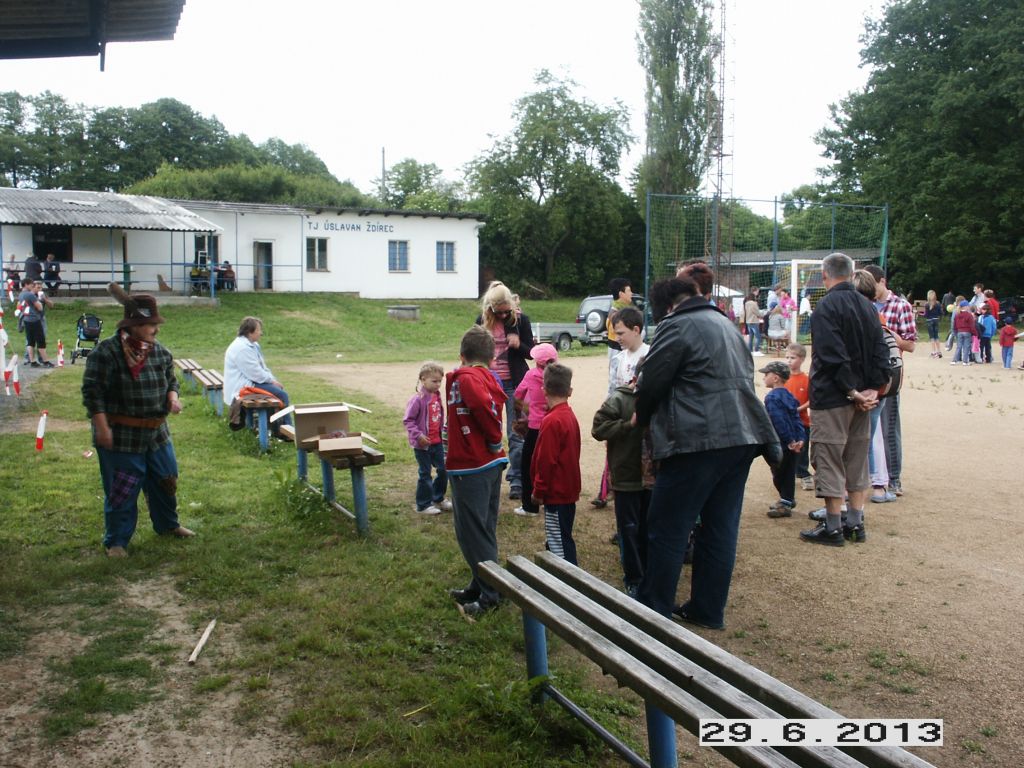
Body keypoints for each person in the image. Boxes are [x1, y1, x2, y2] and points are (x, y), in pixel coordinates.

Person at [634, 270, 779, 629]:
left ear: (667, 306)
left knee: (667, 526)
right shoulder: (727, 325)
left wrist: (641, 417)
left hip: (698, 440)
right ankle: (707, 609)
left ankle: (653, 609)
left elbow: (651, 382)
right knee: (719, 528)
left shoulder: (676, 325)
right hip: (741, 438)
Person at [81, 285, 194, 557]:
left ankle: (168, 525)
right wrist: (102, 427)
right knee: (123, 488)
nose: (156, 329)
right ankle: (117, 541)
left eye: (156, 323)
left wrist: (172, 398)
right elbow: (93, 393)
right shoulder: (106, 353)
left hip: (157, 433)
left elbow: (171, 381)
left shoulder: (160, 352)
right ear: (132, 325)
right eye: (150, 324)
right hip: (121, 434)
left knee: (166, 480)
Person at [800, 253, 890, 548]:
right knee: (856, 458)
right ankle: (855, 522)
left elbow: (831, 356)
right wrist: (873, 389)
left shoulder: (825, 307)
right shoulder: (868, 306)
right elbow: (881, 350)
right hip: (863, 398)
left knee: (829, 458)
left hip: (834, 397)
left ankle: (833, 526)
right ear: (852, 274)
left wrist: (852, 391)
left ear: (825, 275)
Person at [446, 326, 509, 617]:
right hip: (486, 464)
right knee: (482, 529)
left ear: (462, 356)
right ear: (492, 358)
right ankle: (480, 584)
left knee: (471, 533)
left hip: (472, 466)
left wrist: (494, 439)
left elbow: (483, 407)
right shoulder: (486, 377)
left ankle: (491, 594)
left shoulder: (468, 377)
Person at [592, 362, 648, 596]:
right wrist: (628, 425)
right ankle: (633, 578)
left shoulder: (662, 397)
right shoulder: (620, 399)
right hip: (626, 479)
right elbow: (598, 428)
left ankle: (648, 575)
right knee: (628, 530)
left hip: (653, 481)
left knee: (648, 529)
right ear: (636, 379)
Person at [477, 281, 533, 501]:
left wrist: (519, 344)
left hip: (514, 384)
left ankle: (517, 480)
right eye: (498, 312)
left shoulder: (521, 321)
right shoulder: (481, 322)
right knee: (488, 432)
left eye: (506, 312)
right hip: (488, 384)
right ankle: (487, 477)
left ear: (511, 305)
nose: (502, 316)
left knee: (516, 433)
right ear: (490, 308)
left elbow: (532, 353)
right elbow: (472, 352)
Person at [863, 264, 915, 497]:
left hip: (889, 376)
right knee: (866, 431)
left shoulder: (900, 306)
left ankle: (894, 478)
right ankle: (870, 478)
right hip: (866, 376)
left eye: (872, 284)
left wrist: (893, 338)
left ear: (882, 281)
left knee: (888, 429)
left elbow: (910, 344)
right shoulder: (865, 304)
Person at [530, 363, 581, 565]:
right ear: (570, 391)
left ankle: (567, 580)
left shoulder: (552, 421)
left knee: (559, 545)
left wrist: (538, 490)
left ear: (544, 390)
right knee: (559, 537)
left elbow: (546, 462)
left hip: (556, 493)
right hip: (566, 490)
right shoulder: (568, 416)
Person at [592, 277, 634, 509]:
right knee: (616, 445)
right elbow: (614, 346)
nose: (631, 293)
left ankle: (608, 491)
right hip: (621, 402)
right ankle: (606, 490)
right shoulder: (616, 313)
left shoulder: (622, 312)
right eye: (629, 290)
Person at [511, 342, 559, 517]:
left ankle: (529, 506)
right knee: (551, 464)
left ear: (537, 361)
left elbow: (518, 396)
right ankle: (552, 502)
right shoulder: (558, 376)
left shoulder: (531, 375)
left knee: (528, 466)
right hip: (553, 425)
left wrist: (521, 414)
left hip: (534, 427)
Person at [223, 316, 292, 433]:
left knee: (276, 392)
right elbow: (255, 374)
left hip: (251, 382)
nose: (261, 333)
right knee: (281, 395)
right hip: (243, 386)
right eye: (259, 330)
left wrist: (272, 380)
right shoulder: (242, 348)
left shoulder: (253, 345)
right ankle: (286, 431)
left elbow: (262, 367)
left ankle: (274, 428)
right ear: (250, 332)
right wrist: (271, 381)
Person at [403, 362, 450, 515]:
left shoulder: (437, 397)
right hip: (422, 445)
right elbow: (408, 420)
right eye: (434, 381)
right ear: (423, 379)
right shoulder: (417, 399)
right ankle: (423, 505)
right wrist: (418, 435)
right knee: (425, 473)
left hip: (437, 442)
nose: (438, 384)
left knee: (443, 470)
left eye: (440, 381)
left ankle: (438, 497)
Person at [760, 361, 806, 518]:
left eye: (766, 374)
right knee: (788, 472)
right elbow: (796, 418)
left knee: (780, 474)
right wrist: (800, 438)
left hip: (783, 443)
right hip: (794, 442)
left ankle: (786, 502)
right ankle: (786, 500)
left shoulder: (772, 397)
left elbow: (777, 420)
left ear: (775, 378)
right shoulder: (789, 395)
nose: (764, 377)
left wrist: (789, 440)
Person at [783, 343, 813, 491]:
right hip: (785, 422)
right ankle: (785, 474)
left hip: (802, 422)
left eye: (793, 358)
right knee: (786, 449)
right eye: (787, 357)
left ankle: (803, 474)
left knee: (802, 450)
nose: (789, 361)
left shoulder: (806, 379)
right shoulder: (783, 379)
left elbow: (812, 399)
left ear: (801, 359)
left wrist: (798, 409)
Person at [18, 278, 54, 367]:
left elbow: (51, 305)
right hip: (34, 319)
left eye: (40, 287)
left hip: (27, 319)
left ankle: (32, 361)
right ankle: (45, 361)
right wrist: (39, 303)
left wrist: (44, 299)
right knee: (40, 340)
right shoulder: (30, 295)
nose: (38, 288)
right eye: (34, 286)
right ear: (27, 285)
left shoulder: (21, 294)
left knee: (31, 341)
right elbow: (39, 307)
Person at [610, 307, 649, 387]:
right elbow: (612, 391)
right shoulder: (617, 360)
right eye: (616, 334)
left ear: (636, 330)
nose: (617, 338)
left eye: (620, 334)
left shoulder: (651, 355)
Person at [951, 300, 978, 365]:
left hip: (959, 332)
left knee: (959, 347)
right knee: (966, 347)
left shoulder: (957, 315)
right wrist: (975, 333)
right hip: (967, 332)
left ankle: (954, 360)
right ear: (966, 307)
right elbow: (972, 326)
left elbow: (955, 325)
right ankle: (965, 361)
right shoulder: (969, 315)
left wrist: (955, 331)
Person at [923, 290, 943, 358]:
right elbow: (941, 313)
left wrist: (920, 313)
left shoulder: (927, 304)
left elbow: (926, 315)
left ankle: (934, 352)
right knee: (936, 336)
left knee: (932, 337)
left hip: (929, 321)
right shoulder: (938, 303)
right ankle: (939, 351)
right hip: (936, 320)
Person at [743, 291, 763, 356]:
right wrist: (761, 315)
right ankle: (756, 350)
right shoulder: (753, 303)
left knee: (751, 337)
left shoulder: (746, 303)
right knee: (758, 337)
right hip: (754, 321)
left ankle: (750, 350)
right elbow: (756, 312)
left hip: (748, 321)